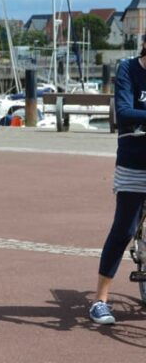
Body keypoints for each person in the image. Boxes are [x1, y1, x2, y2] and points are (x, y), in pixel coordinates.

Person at [90, 34, 146, 325]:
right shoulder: (128, 69)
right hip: (135, 160)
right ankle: (100, 300)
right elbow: (124, 112)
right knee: (124, 229)